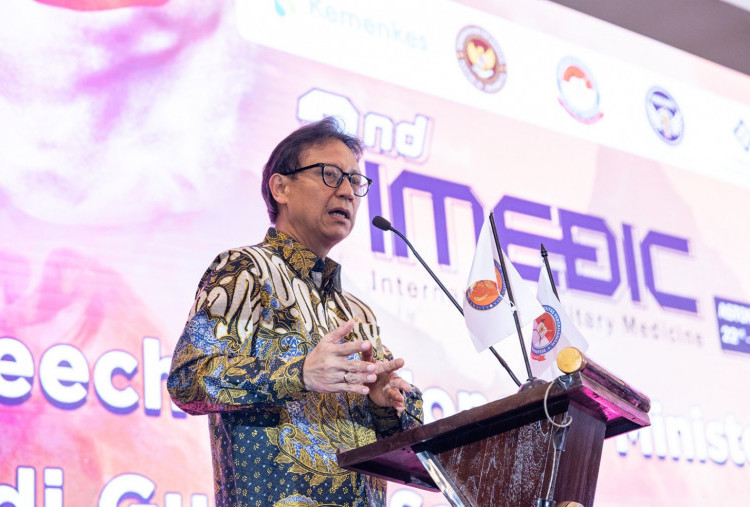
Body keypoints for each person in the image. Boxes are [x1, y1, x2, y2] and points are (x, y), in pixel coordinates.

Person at [167, 117, 423, 507]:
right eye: (330, 174)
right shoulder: (245, 270)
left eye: (355, 181)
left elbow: (399, 442)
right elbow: (187, 380)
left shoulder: (356, 312)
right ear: (281, 187)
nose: (347, 192)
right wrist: (299, 373)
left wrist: (383, 404)